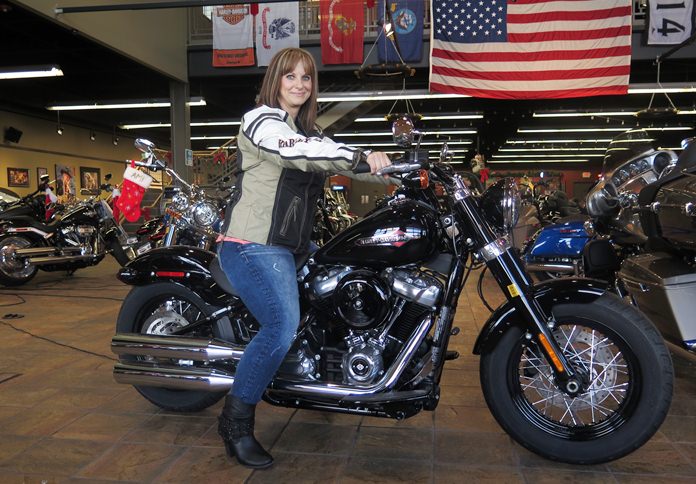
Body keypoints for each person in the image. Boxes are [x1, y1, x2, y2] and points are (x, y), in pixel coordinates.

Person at [216, 47, 392, 469]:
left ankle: (327, 379)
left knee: (345, 281)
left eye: (306, 78)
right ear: (275, 80)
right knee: (281, 325)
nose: (299, 84)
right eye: (290, 76)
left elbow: (329, 153)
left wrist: (395, 168)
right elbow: (292, 150)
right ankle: (235, 423)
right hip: (251, 243)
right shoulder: (260, 121)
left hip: (289, 246)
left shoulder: (305, 131)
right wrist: (358, 158)